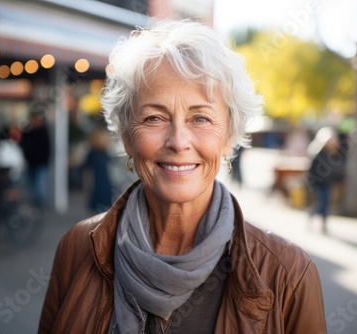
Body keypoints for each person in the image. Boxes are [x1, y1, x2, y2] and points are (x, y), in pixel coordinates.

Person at [39, 20, 326, 334]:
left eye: (200, 117)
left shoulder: (289, 274)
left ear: (229, 136)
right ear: (125, 136)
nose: (178, 141)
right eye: (154, 117)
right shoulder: (77, 247)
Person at [306, 127, 344, 233]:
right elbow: (312, 170)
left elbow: (336, 170)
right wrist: (311, 183)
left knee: (326, 204)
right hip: (318, 184)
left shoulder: (333, 155)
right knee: (320, 203)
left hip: (328, 184)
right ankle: (312, 216)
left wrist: (340, 179)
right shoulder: (319, 154)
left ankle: (323, 224)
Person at [20, 112, 51, 209]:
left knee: (39, 187)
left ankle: (40, 207)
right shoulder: (28, 132)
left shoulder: (43, 132)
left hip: (40, 164)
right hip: (30, 163)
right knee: (32, 186)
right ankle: (35, 206)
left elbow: (45, 150)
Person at [82, 127, 114, 214]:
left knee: (96, 203)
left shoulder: (92, 153)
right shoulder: (104, 153)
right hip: (103, 181)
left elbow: (86, 169)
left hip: (96, 181)